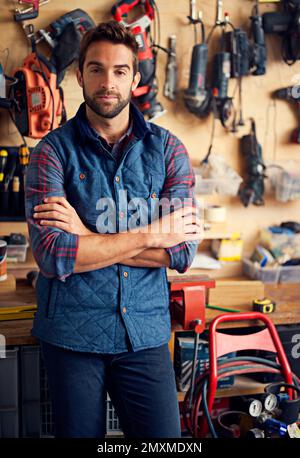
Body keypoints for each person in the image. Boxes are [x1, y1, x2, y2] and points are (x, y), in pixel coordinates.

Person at [25, 21, 201, 438]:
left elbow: (181, 254)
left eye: (120, 71)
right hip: (72, 335)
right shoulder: (51, 153)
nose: (108, 82)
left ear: (135, 79)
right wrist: (151, 233)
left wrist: (84, 235)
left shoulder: (169, 150)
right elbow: (52, 256)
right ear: (79, 75)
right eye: (97, 69)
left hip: (145, 334)